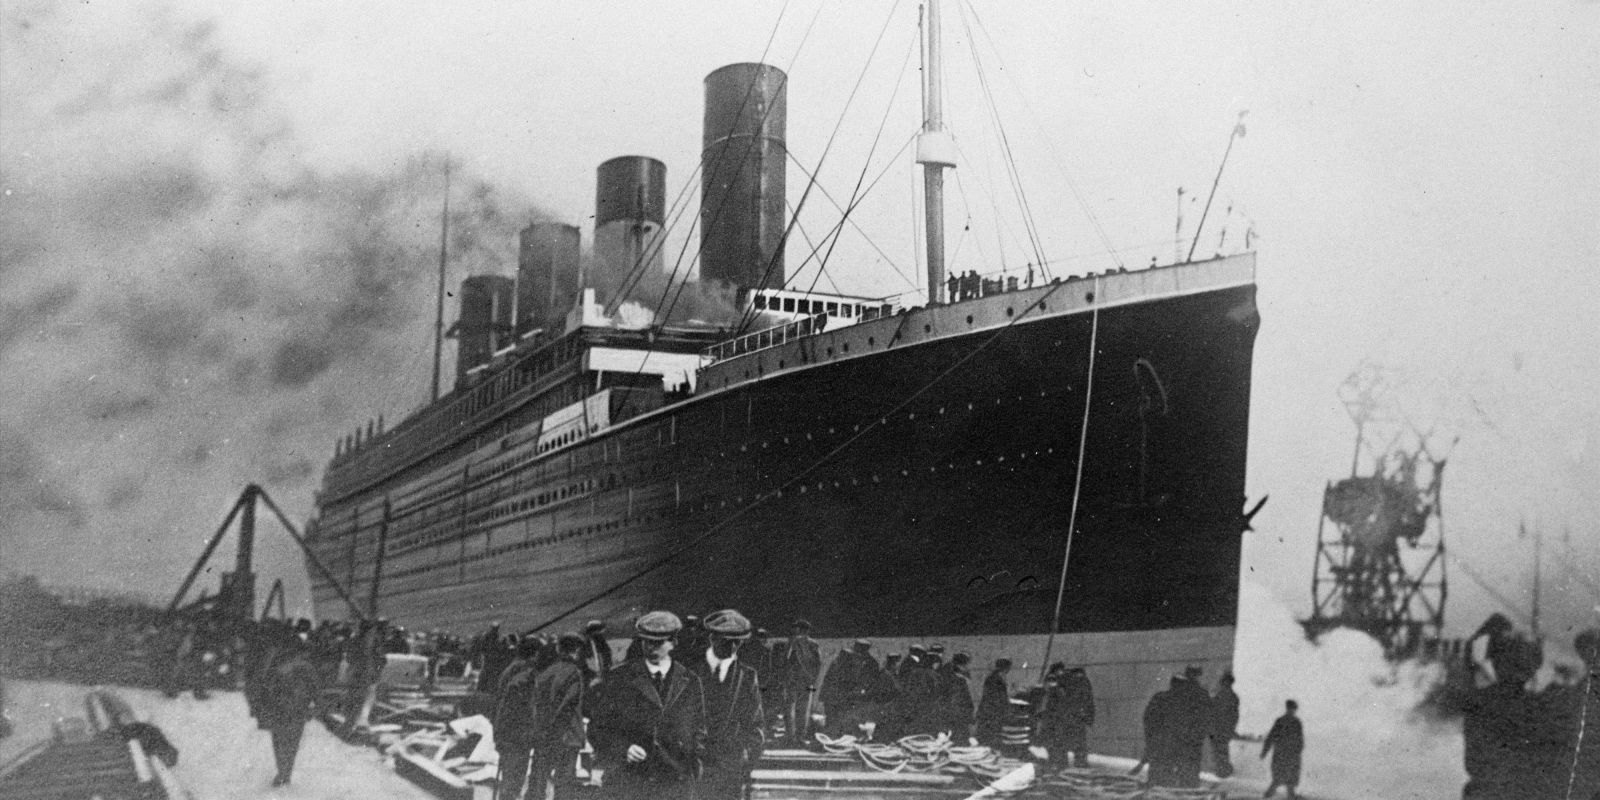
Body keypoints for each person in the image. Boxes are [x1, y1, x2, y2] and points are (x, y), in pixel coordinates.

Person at [588, 611, 707, 800]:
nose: (650, 648)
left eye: (657, 643)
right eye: (646, 642)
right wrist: (624, 749)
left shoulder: (690, 681)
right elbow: (597, 728)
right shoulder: (619, 678)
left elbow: (699, 729)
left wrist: (694, 767)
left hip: (675, 784)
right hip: (630, 783)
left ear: (673, 642)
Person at [689, 609, 765, 800]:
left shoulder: (747, 676)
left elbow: (755, 724)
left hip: (732, 768)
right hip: (695, 766)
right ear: (712, 638)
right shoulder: (689, 672)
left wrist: (747, 759)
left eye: (737, 642)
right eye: (726, 641)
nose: (732, 647)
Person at [250, 623, 322, 788]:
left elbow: (265, 687)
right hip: (296, 711)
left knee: (280, 743)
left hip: (282, 710)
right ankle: (285, 773)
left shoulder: (278, 665)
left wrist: (261, 706)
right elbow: (316, 691)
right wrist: (315, 709)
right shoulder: (305, 667)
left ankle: (283, 773)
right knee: (291, 744)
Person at [529, 632, 588, 800]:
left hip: (544, 734)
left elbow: (536, 705)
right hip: (567, 735)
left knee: (538, 780)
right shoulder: (574, 673)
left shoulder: (545, 673)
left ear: (558, 649)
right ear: (576, 651)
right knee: (564, 784)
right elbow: (567, 706)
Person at [493, 637, 543, 800]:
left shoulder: (510, 669)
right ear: (535, 654)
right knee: (514, 779)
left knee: (509, 777)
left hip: (505, 730)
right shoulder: (526, 673)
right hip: (518, 732)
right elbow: (527, 706)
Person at [778, 619, 821, 744]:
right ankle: (800, 736)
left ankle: (790, 736)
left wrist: (784, 678)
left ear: (799, 629)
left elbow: (785, 660)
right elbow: (818, 664)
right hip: (807, 680)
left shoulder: (792, 642)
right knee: (803, 709)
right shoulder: (814, 644)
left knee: (789, 708)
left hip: (792, 680)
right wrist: (813, 678)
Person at [1260, 700, 1304, 799]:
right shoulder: (1290, 722)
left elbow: (1300, 740)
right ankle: (1267, 796)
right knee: (1281, 780)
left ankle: (1270, 796)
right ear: (1288, 708)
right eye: (1291, 709)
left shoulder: (1289, 721)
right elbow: (1271, 736)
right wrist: (1265, 751)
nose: (1292, 711)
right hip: (1285, 756)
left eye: (1293, 709)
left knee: (1286, 781)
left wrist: (1264, 752)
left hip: (1287, 756)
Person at [975, 659, 1012, 747]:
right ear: (1005, 669)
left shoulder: (992, 677)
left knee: (986, 738)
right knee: (991, 738)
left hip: (987, 712)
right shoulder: (998, 680)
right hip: (992, 714)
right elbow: (999, 698)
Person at [1210, 672, 1240, 778]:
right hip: (1226, 729)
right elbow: (1235, 715)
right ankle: (1223, 770)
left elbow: (1214, 711)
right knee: (1222, 749)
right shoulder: (1234, 697)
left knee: (1219, 751)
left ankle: (1222, 771)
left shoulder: (1220, 695)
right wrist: (1232, 728)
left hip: (1218, 728)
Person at [585, 620, 613, 685]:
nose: (602, 631)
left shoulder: (599, 639)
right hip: (599, 666)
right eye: (599, 630)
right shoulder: (593, 640)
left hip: (603, 664)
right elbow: (597, 655)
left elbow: (606, 651)